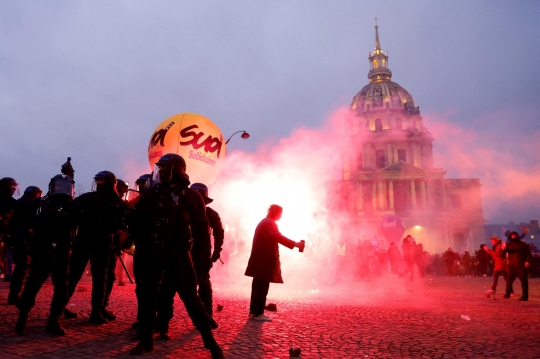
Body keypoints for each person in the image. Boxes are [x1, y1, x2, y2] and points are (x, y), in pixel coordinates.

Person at [128, 153, 223, 358]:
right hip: (151, 253)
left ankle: (210, 342)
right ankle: (146, 341)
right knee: (146, 297)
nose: (160, 172)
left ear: (176, 169)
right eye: (159, 168)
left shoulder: (191, 197)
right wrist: (138, 244)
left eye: (164, 168)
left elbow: (201, 231)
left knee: (191, 298)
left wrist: (203, 260)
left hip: (179, 254)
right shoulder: (152, 191)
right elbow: (137, 221)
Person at [15, 174, 80, 335]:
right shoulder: (39, 203)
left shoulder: (73, 205)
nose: (61, 190)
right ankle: (22, 320)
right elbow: (24, 223)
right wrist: (28, 238)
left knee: (61, 287)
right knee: (33, 285)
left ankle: (54, 321)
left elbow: (79, 223)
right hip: (42, 248)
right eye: (59, 186)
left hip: (61, 250)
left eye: (64, 186)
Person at [63, 171, 128, 323]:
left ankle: (96, 311)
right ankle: (63, 308)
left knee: (100, 279)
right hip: (88, 242)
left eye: (101, 181)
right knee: (76, 277)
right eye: (98, 181)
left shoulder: (117, 203)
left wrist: (118, 244)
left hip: (100, 244)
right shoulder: (89, 198)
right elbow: (71, 215)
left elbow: (122, 227)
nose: (99, 184)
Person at [245, 204, 305, 321]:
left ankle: (253, 311)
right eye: (280, 213)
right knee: (262, 287)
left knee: (257, 287)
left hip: (260, 260)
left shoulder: (264, 221)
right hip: (264, 261)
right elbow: (277, 236)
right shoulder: (270, 223)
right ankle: (258, 313)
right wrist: (295, 244)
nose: (281, 216)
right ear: (276, 213)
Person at [7, 186, 42, 304]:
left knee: (20, 267)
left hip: (16, 239)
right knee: (22, 267)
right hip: (23, 240)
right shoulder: (30, 205)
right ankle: (15, 295)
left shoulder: (19, 203)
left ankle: (14, 294)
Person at [102, 179, 130, 317]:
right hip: (107, 244)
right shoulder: (120, 205)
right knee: (105, 277)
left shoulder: (121, 204)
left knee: (107, 277)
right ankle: (100, 308)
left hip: (107, 244)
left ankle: (101, 307)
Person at [503, 231, 533, 301]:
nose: (513, 237)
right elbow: (502, 254)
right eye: (512, 236)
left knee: (523, 281)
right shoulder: (508, 245)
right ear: (510, 237)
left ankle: (525, 296)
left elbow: (528, 254)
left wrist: (527, 261)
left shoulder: (523, 244)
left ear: (517, 236)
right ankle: (507, 294)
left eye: (515, 236)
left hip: (521, 265)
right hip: (511, 265)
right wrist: (503, 249)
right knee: (509, 280)